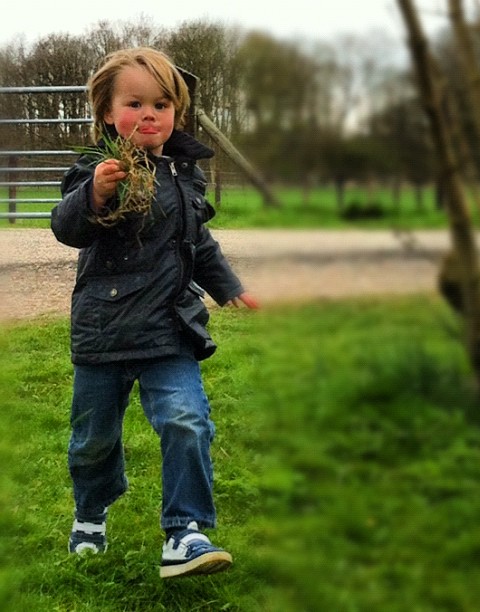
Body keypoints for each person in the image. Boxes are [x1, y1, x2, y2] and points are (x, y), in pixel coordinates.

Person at [51, 46, 258, 579]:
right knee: (94, 439)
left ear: (177, 113)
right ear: (107, 113)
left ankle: (185, 532)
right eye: (135, 103)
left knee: (187, 420)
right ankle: (91, 512)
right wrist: (95, 195)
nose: (149, 114)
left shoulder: (184, 174)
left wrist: (227, 285)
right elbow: (67, 228)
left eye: (162, 105)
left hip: (170, 328)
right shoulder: (95, 169)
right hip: (103, 330)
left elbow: (198, 242)